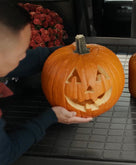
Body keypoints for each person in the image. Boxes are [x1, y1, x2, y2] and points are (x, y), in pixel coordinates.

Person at [0, 2, 93, 165]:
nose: (24, 55)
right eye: (21, 51)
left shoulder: (6, 58)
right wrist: (49, 117)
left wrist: (64, 53)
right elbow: (5, 155)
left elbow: (25, 61)